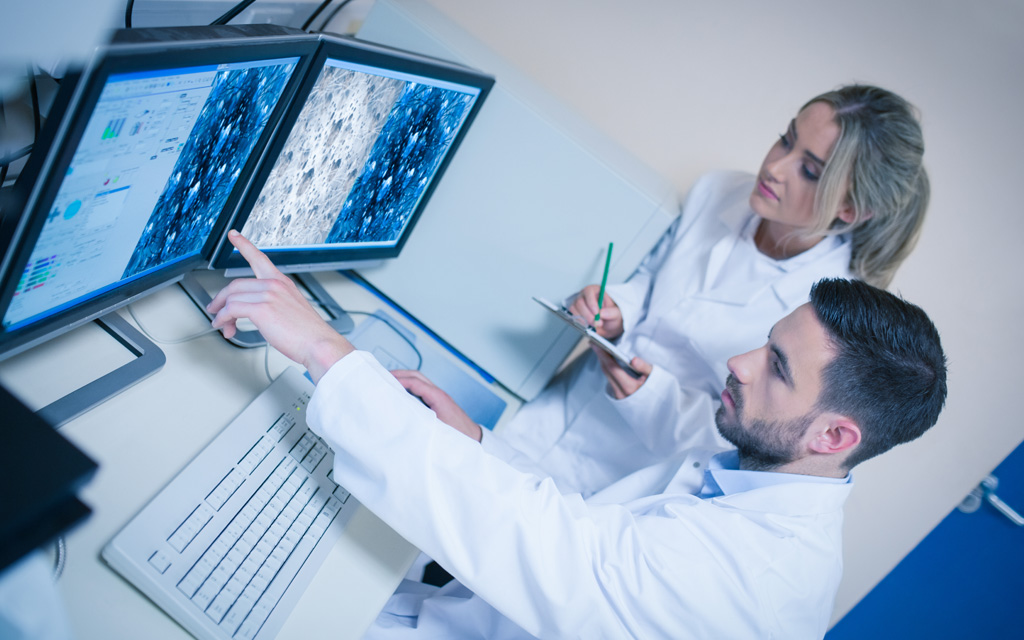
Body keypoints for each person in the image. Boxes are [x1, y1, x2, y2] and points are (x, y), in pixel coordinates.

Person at [207, 231, 947, 639]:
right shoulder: (755, 474)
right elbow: (587, 528)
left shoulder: (748, 590)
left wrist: (326, 351)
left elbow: (548, 547)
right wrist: (474, 442)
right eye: (765, 342)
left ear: (833, 435)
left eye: (777, 367)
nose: (739, 363)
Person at [498, 84, 932, 496]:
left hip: (633, 468)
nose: (775, 167)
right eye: (786, 139)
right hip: (560, 409)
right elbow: (653, 274)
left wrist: (654, 399)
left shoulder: (821, 318)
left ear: (850, 208)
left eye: (809, 170)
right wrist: (618, 310)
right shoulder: (720, 190)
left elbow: (751, 435)